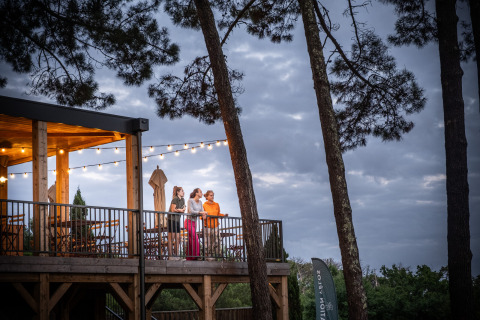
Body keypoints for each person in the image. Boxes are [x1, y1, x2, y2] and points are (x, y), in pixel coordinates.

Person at [202, 190, 228, 260]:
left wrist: (223, 215)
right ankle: (208, 256)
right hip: (207, 226)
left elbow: (218, 214)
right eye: (210, 195)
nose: (212, 196)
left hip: (215, 226)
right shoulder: (204, 205)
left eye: (213, 195)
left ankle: (214, 255)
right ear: (207, 197)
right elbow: (202, 216)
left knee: (217, 241)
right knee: (208, 242)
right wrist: (206, 216)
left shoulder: (216, 204)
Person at [186, 188, 207, 260]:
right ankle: (197, 256)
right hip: (188, 222)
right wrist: (201, 213)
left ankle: (190, 258)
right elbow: (191, 211)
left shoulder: (200, 202)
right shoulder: (190, 200)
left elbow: (202, 211)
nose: (202, 193)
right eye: (200, 192)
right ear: (196, 193)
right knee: (195, 237)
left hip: (195, 223)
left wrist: (204, 214)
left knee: (191, 239)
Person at [168, 186, 185, 260]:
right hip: (171, 219)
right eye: (182, 191)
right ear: (178, 192)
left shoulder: (183, 199)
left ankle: (177, 255)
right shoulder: (175, 199)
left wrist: (179, 210)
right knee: (172, 238)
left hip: (177, 220)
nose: (183, 192)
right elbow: (172, 210)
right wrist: (180, 210)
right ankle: (170, 256)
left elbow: (184, 209)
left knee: (178, 238)